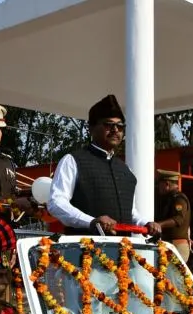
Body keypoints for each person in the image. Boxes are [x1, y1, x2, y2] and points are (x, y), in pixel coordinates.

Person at [47, 95, 157, 236]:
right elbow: (56, 203)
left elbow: (130, 212)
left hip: (124, 251)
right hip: (84, 251)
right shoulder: (73, 161)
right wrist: (91, 222)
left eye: (120, 126)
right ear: (91, 128)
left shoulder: (126, 170)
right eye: (108, 125)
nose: (115, 130)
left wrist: (145, 223)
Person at [154, 169, 191, 260]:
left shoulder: (178, 199)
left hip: (176, 245)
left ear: (167, 184)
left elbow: (178, 219)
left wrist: (159, 225)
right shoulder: (169, 198)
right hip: (170, 244)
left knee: (173, 273)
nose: (158, 187)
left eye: (159, 184)